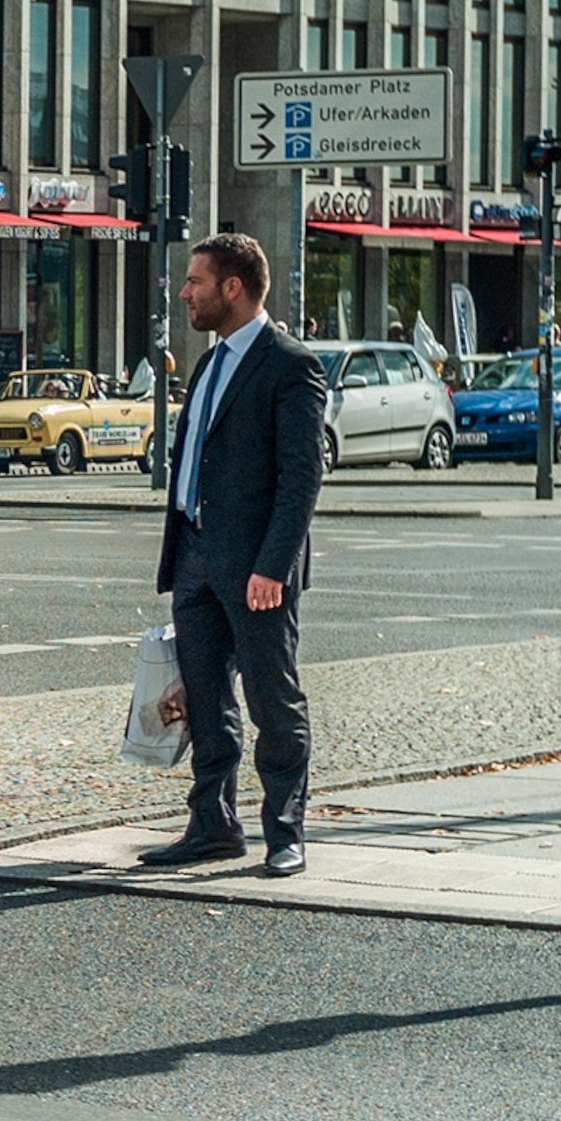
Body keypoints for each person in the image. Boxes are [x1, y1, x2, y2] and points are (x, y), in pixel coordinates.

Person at [142, 231, 325, 879]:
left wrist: (273, 567)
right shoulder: (209, 362)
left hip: (255, 570)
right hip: (194, 556)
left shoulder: (288, 363)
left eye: (194, 282)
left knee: (272, 700)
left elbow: (301, 476)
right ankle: (213, 826)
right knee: (206, 699)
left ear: (232, 288)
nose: (183, 292)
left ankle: (285, 832)